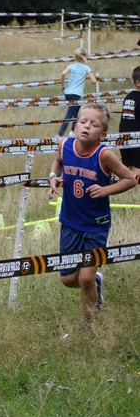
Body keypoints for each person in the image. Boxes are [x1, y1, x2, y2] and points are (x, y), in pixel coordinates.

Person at [48, 104, 136, 327]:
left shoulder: (104, 154)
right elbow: (58, 163)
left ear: (103, 134)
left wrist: (105, 190)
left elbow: (130, 179)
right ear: (75, 125)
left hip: (96, 226)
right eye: (83, 122)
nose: (87, 127)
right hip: (70, 222)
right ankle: (95, 282)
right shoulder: (65, 146)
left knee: (84, 278)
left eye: (94, 124)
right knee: (68, 279)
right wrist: (53, 177)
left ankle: (89, 326)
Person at [59, 49, 97, 136]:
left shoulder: (71, 66)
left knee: (78, 112)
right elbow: (94, 81)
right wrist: (85, 75)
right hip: (76, 94)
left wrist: (62, 86)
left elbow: (63, 74)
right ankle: (60, 134)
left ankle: (73, 132)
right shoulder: (86, 68)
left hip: (68, 92)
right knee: (70, 114)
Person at [119, 66, 140, 178]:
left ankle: (118, 183)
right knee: (138, 165)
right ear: (138, 83)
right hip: (136, 137)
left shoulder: (128, 96)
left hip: (123, 136)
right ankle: (134, 187)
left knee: (127, 164)